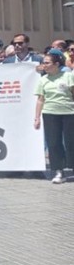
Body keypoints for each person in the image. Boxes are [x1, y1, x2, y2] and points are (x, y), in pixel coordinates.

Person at [34, 49, 74, 184]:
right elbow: (40, 99)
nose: (43, 65)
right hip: (50, 113)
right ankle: (59, 171)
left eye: (47, 63)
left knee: (71, 142)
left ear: (56, 64)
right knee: (53, 143)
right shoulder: (43, 80)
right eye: (43, 63)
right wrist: (37, 117)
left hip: (69, 113)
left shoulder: (68, 76)